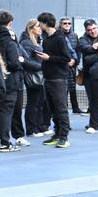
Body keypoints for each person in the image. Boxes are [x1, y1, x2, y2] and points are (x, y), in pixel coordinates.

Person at [35, 12, 72, 149]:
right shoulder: (47, 38)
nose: (39, 25)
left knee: (61, 108)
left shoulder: (59, 38)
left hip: (58, 78)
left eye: (40, 23)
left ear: (45, 23)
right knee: (52, 107)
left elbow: (66, 58)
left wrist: (48, 58)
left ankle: (64, 137)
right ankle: (57, 134)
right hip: (48, 77)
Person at [19, 19, 51, 138]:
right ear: (31, 28)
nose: (40, 28)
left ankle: (40, 126)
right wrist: (41, 66)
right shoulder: (26, 42)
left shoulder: (38, 41)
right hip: (33, 76)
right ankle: (31, 129)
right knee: (34, 103)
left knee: (41, 102)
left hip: (40, 75)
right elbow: (25, 61)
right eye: (38, 26)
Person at [0, 10, 23, 152]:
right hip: (9, 81)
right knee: (6, 112)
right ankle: (5, 142)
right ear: (10, 23)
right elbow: (14, 64)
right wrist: (20, 61)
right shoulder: (9, 41)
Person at [58, 17, 83, 115]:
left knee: (73, 86)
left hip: (72, 64)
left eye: (69, 23)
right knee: (64, 88)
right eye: (65, 23)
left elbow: (77, 50)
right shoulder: (58, 35)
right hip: (62, 64)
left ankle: (75, 107)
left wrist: (75, 60)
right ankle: (65, 107)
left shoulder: (74, 35)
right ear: (60, 25)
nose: (67, 25)